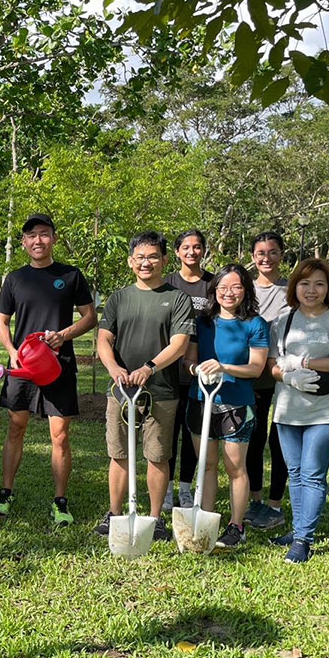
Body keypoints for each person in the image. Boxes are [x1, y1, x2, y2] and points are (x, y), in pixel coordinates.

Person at [0, 213, 96, 525]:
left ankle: (60, 501)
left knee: (60, 435)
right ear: (24, 243)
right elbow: (2, 322)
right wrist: (11, 351)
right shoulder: (15, 279)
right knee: (15, 428)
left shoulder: (71, 275)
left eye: (44, 234)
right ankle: (5, 494)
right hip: (22, 367)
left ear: (53, 237)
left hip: (58, 366)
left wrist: (64, 335)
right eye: (32, 235)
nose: (38, 240)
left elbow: (90, 317)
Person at [95, 230, 194, 540]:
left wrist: (149, 368)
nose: (146, 262)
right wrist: (114, 368)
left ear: (164, 260)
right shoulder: (119, 298)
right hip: (121, 391)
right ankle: (114, 514)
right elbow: (103, 339)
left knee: (157, 455)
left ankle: (154, 518)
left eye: (153, 256)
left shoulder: (176, 298)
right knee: (119, 453)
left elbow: (179, 344)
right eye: (140, 257)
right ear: (130, 261)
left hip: (161, 392)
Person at [268, 258, 329, 564]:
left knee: (313, 474)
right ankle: (297, 529)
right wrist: (287, 374)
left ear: (328, 288)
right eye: (305, 283)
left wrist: (302, 362)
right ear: (295, 286)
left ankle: (304, 540)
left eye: (319, 284)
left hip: (325, 413)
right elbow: (272, 365)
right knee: (294, 473)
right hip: (286, 410)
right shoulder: (282, 321)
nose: (311, 290)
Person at [182, 263, 268, 551]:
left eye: (235, 287)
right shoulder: (201, 322)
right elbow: (188, 361)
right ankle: (205, 520)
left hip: (236, 405)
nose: (228, 293)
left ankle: (236, 525)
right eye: (222, 287)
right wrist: (198, 370)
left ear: (245, 290)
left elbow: (256, 368)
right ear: (213, 290)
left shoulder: (255, 324)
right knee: (205, 464)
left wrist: (223, 367)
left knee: (235, 468)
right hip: (201, 400)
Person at [165, 229, 214, 512]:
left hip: (199, 372)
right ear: (177, 251)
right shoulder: (169, 283)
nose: (191, 252)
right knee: (169, 433)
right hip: (170, 371)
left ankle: (186, 488)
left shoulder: (213, 284)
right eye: (186, 247)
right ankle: (167, 489)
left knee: (192, 430)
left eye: (197, 247)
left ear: (204, 250)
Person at [245, 231, 292, 530]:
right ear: (252, 256)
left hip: (287, 373)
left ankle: (275, 504)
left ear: (282, 255)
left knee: (280, 438)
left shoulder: (293, 289)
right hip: (255, 375)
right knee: (254, 436)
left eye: (273, 252)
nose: (266, 258)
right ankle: (255, 500)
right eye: (260, 253)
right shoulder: (243, 288)